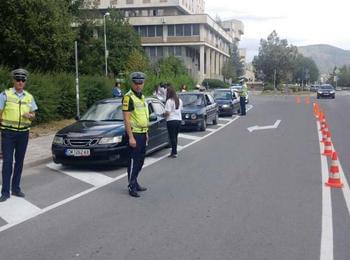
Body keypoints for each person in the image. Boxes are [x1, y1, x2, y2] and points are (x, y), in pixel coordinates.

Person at [0, 69, 38, 202]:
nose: (20, 82)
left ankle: (15, 188)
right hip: (8, 133)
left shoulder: (29, 97)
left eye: (23, 80)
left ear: (25, 82)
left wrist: (30, 116)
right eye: (18, 79)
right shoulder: (5, 95)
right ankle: (5, 192)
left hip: (23, 134)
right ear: (13, 81)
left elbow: (34, 115)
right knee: (8, 162)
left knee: (19, 162)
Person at [122, 72, 149, 198]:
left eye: (141, 83)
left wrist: (146, 132)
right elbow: (126, 119)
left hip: (143, 133)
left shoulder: (142, 97)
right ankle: (131, 186)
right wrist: (131, 137)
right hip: (134, 134)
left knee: (141, 161)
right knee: (133, 161)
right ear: (132, 83)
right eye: (136, 83)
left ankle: (135, 181)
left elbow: (144, 116)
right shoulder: (128, 98)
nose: (138, 85)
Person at [164, 85, 183, 158]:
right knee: (175, 136)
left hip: (171, 120)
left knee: (172, 137)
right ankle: (174, 151)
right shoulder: (179, 100)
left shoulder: (169, 101)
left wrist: (163, 114)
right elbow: (180, 110)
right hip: (178, 120)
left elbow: (168, 113)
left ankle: (174, 152)